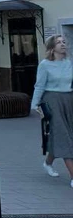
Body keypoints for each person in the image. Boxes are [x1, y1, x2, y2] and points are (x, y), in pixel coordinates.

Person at [33, 35, 73, 185]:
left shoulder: (69, 63)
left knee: (65, 135)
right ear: (52, 47)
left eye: (64, 42)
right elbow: (39, 86)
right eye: (59, 42)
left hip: (69, 100)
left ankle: (48, 162)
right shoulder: (45, 65)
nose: (63, 44)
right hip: (52, 101)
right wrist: (35, 105)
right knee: (64, 136)